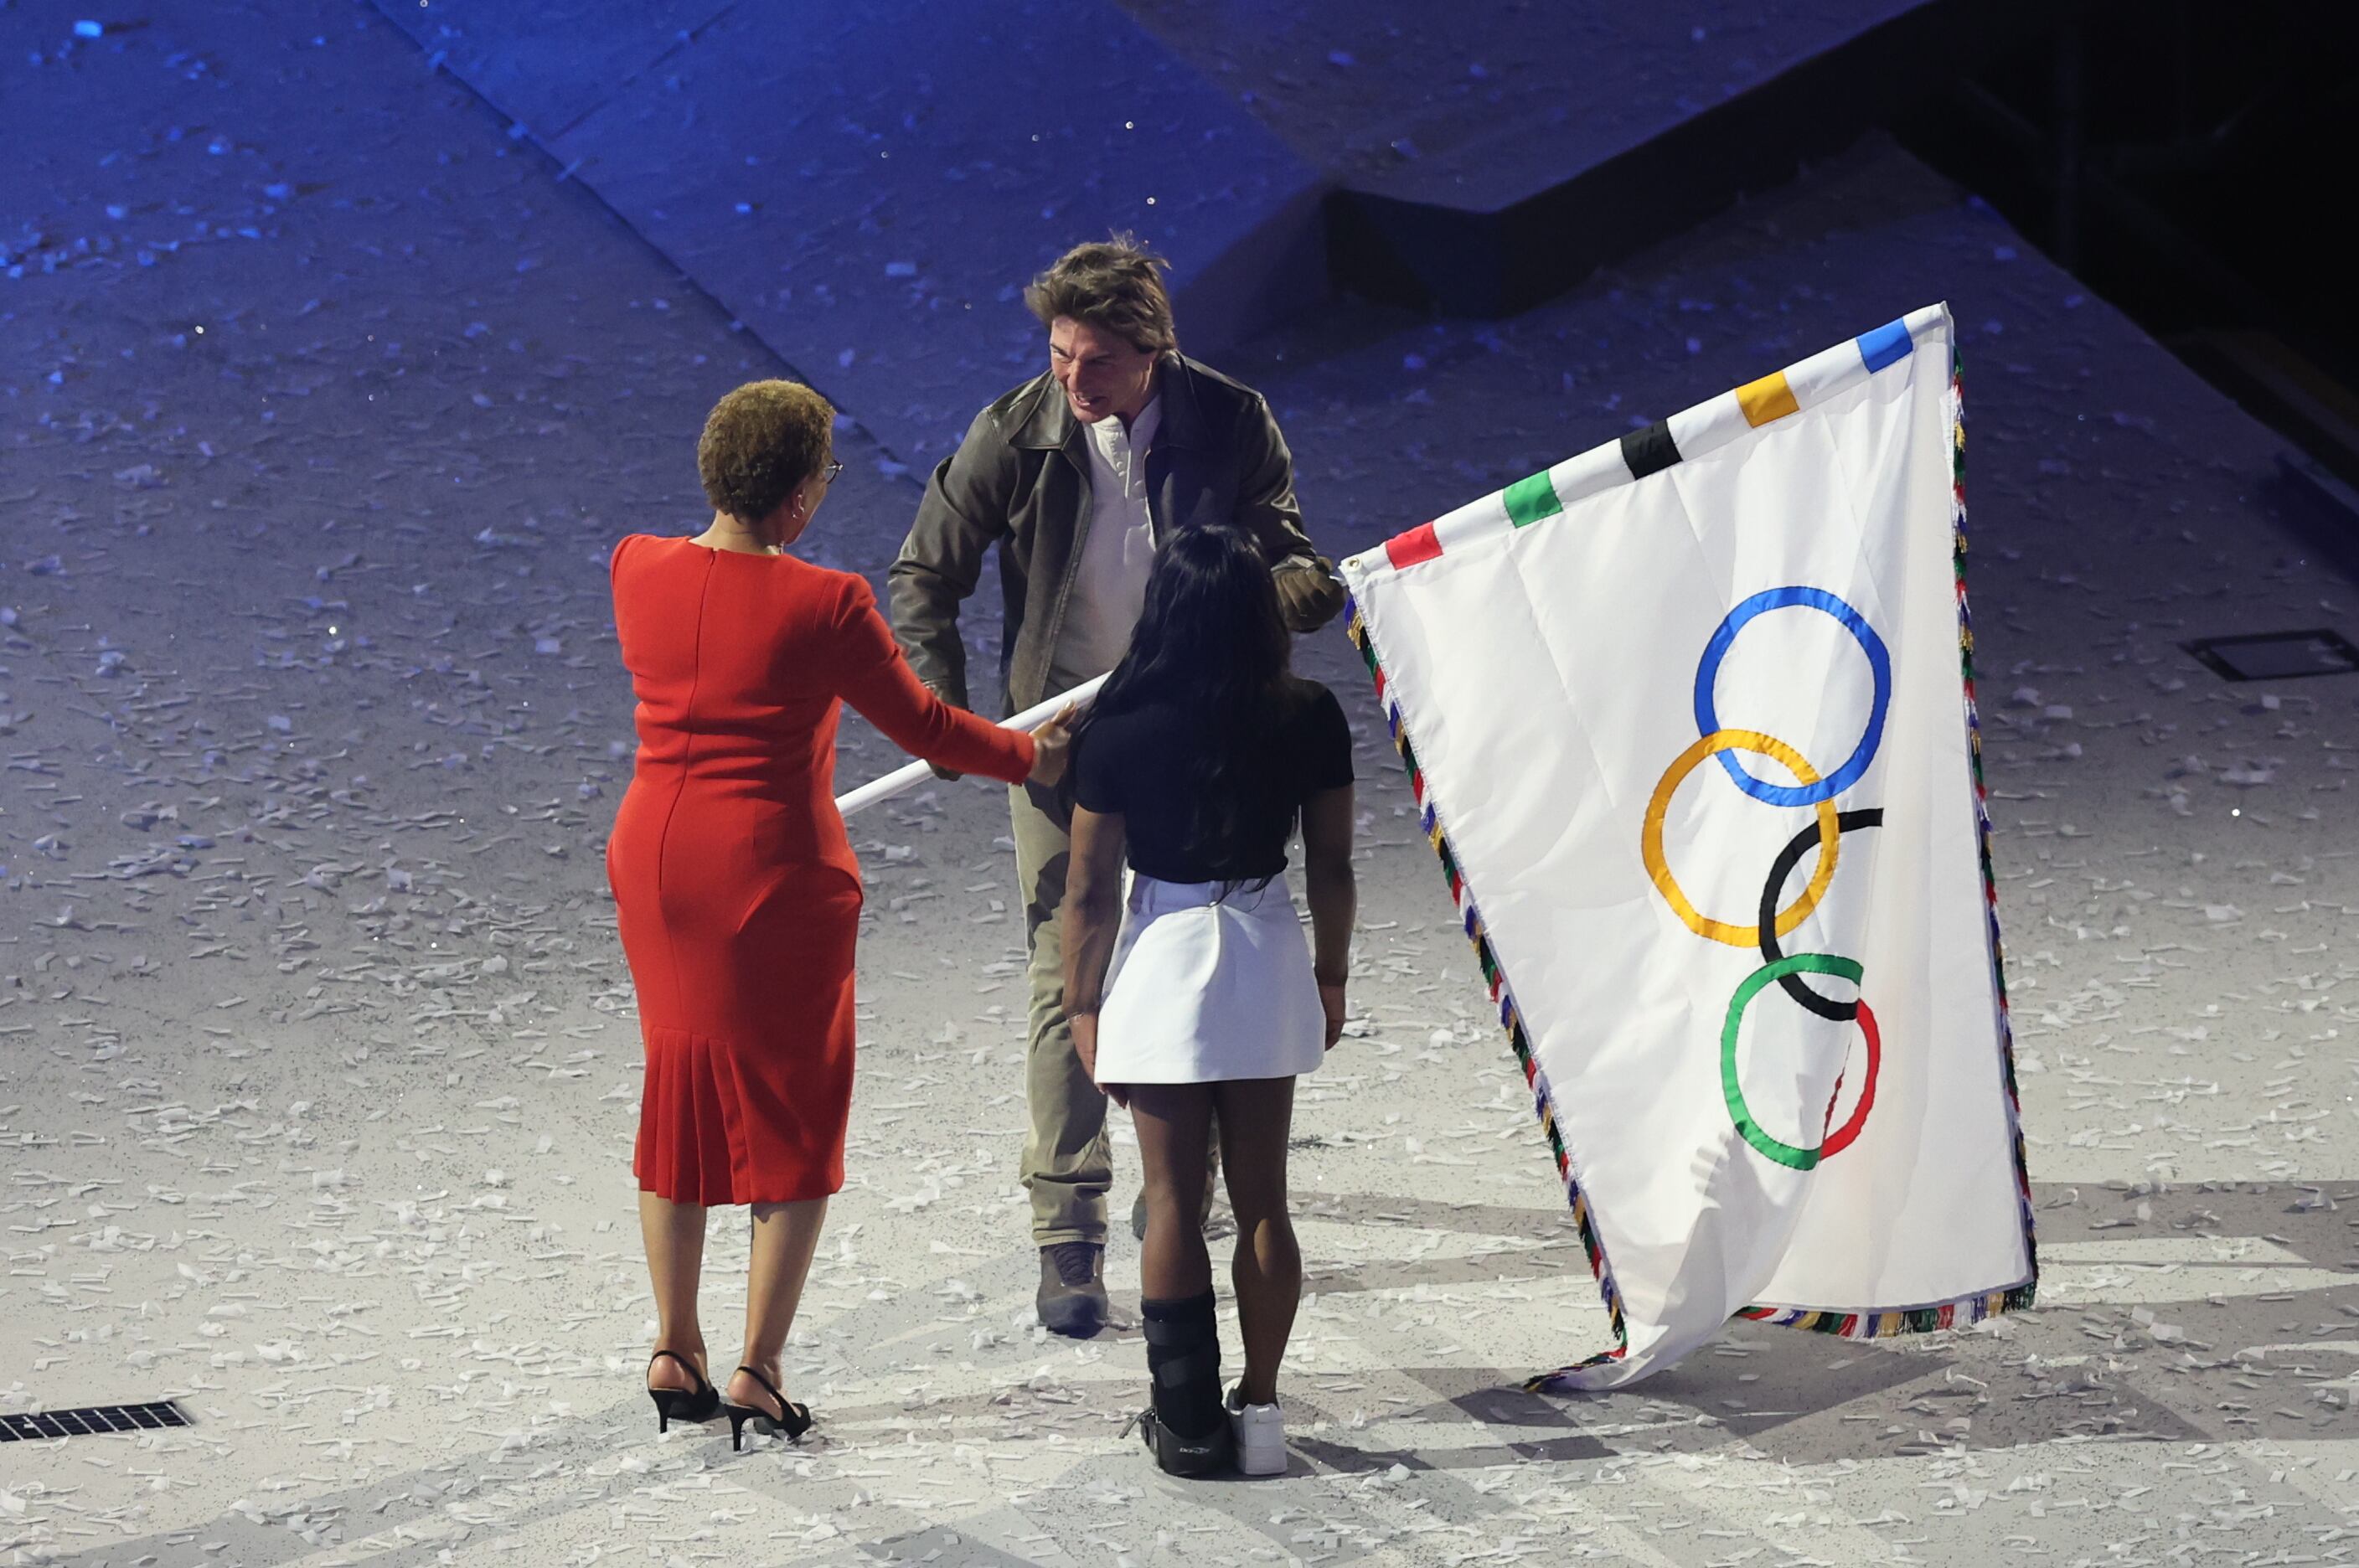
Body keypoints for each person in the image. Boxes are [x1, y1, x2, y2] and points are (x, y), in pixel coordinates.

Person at [889, 236, 1346, 1337]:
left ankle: (1203, 1193)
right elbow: (923, 580)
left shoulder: (1230, 420)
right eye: (1059, 354)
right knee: (1070, 970)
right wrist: (967, 727)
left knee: (1211, 951)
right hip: (1061, 741)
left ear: (1152, 355)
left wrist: (1281, 599)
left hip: (1199, 731)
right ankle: (1069, 1227)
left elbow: (1286, 557)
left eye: (1094, 363)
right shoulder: (1017, 433)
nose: (1071, 381)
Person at [609, 379, 1071, 1450]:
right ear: (804, 494)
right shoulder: (825, 602)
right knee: (793, 1118)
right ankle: (758, 1371)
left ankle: (672, 1345)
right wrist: (1028, 751)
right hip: (769, 883)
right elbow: (925, 728)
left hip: (654, 865)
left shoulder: (636, 567)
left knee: (676, 1094)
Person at [1060, 524, 1355, 1478]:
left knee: (1174, 1203)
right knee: (1264, 1202)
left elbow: (1090, 890)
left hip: (1163, 956)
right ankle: (1260, 1414)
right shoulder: (1308, 714)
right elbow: (1335, 865)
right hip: (1265, 950)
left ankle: (1185, 1423)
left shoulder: (1118, 723)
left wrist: (1080, 1004)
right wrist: (1331, 977)